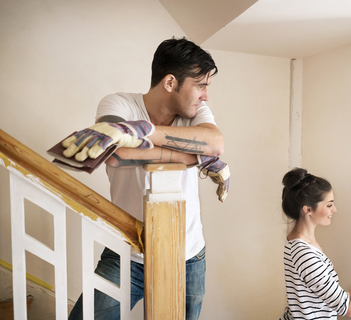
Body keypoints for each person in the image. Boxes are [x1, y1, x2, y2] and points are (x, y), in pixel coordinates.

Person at [67, 37, 229, 320]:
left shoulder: (195, 111)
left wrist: (143, 132)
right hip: (126, 253)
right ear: (170, 83)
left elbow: (215, 143)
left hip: (188, 256)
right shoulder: (117, 103)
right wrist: (193, 156)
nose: (206, 96)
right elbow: (115, 154)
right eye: (200, 86)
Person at [280, 168, 351, 319]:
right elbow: (349, 308)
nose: (335, 209)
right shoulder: (305, 254)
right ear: (308, 209)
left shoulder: (295, 240)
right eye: (329, 205)